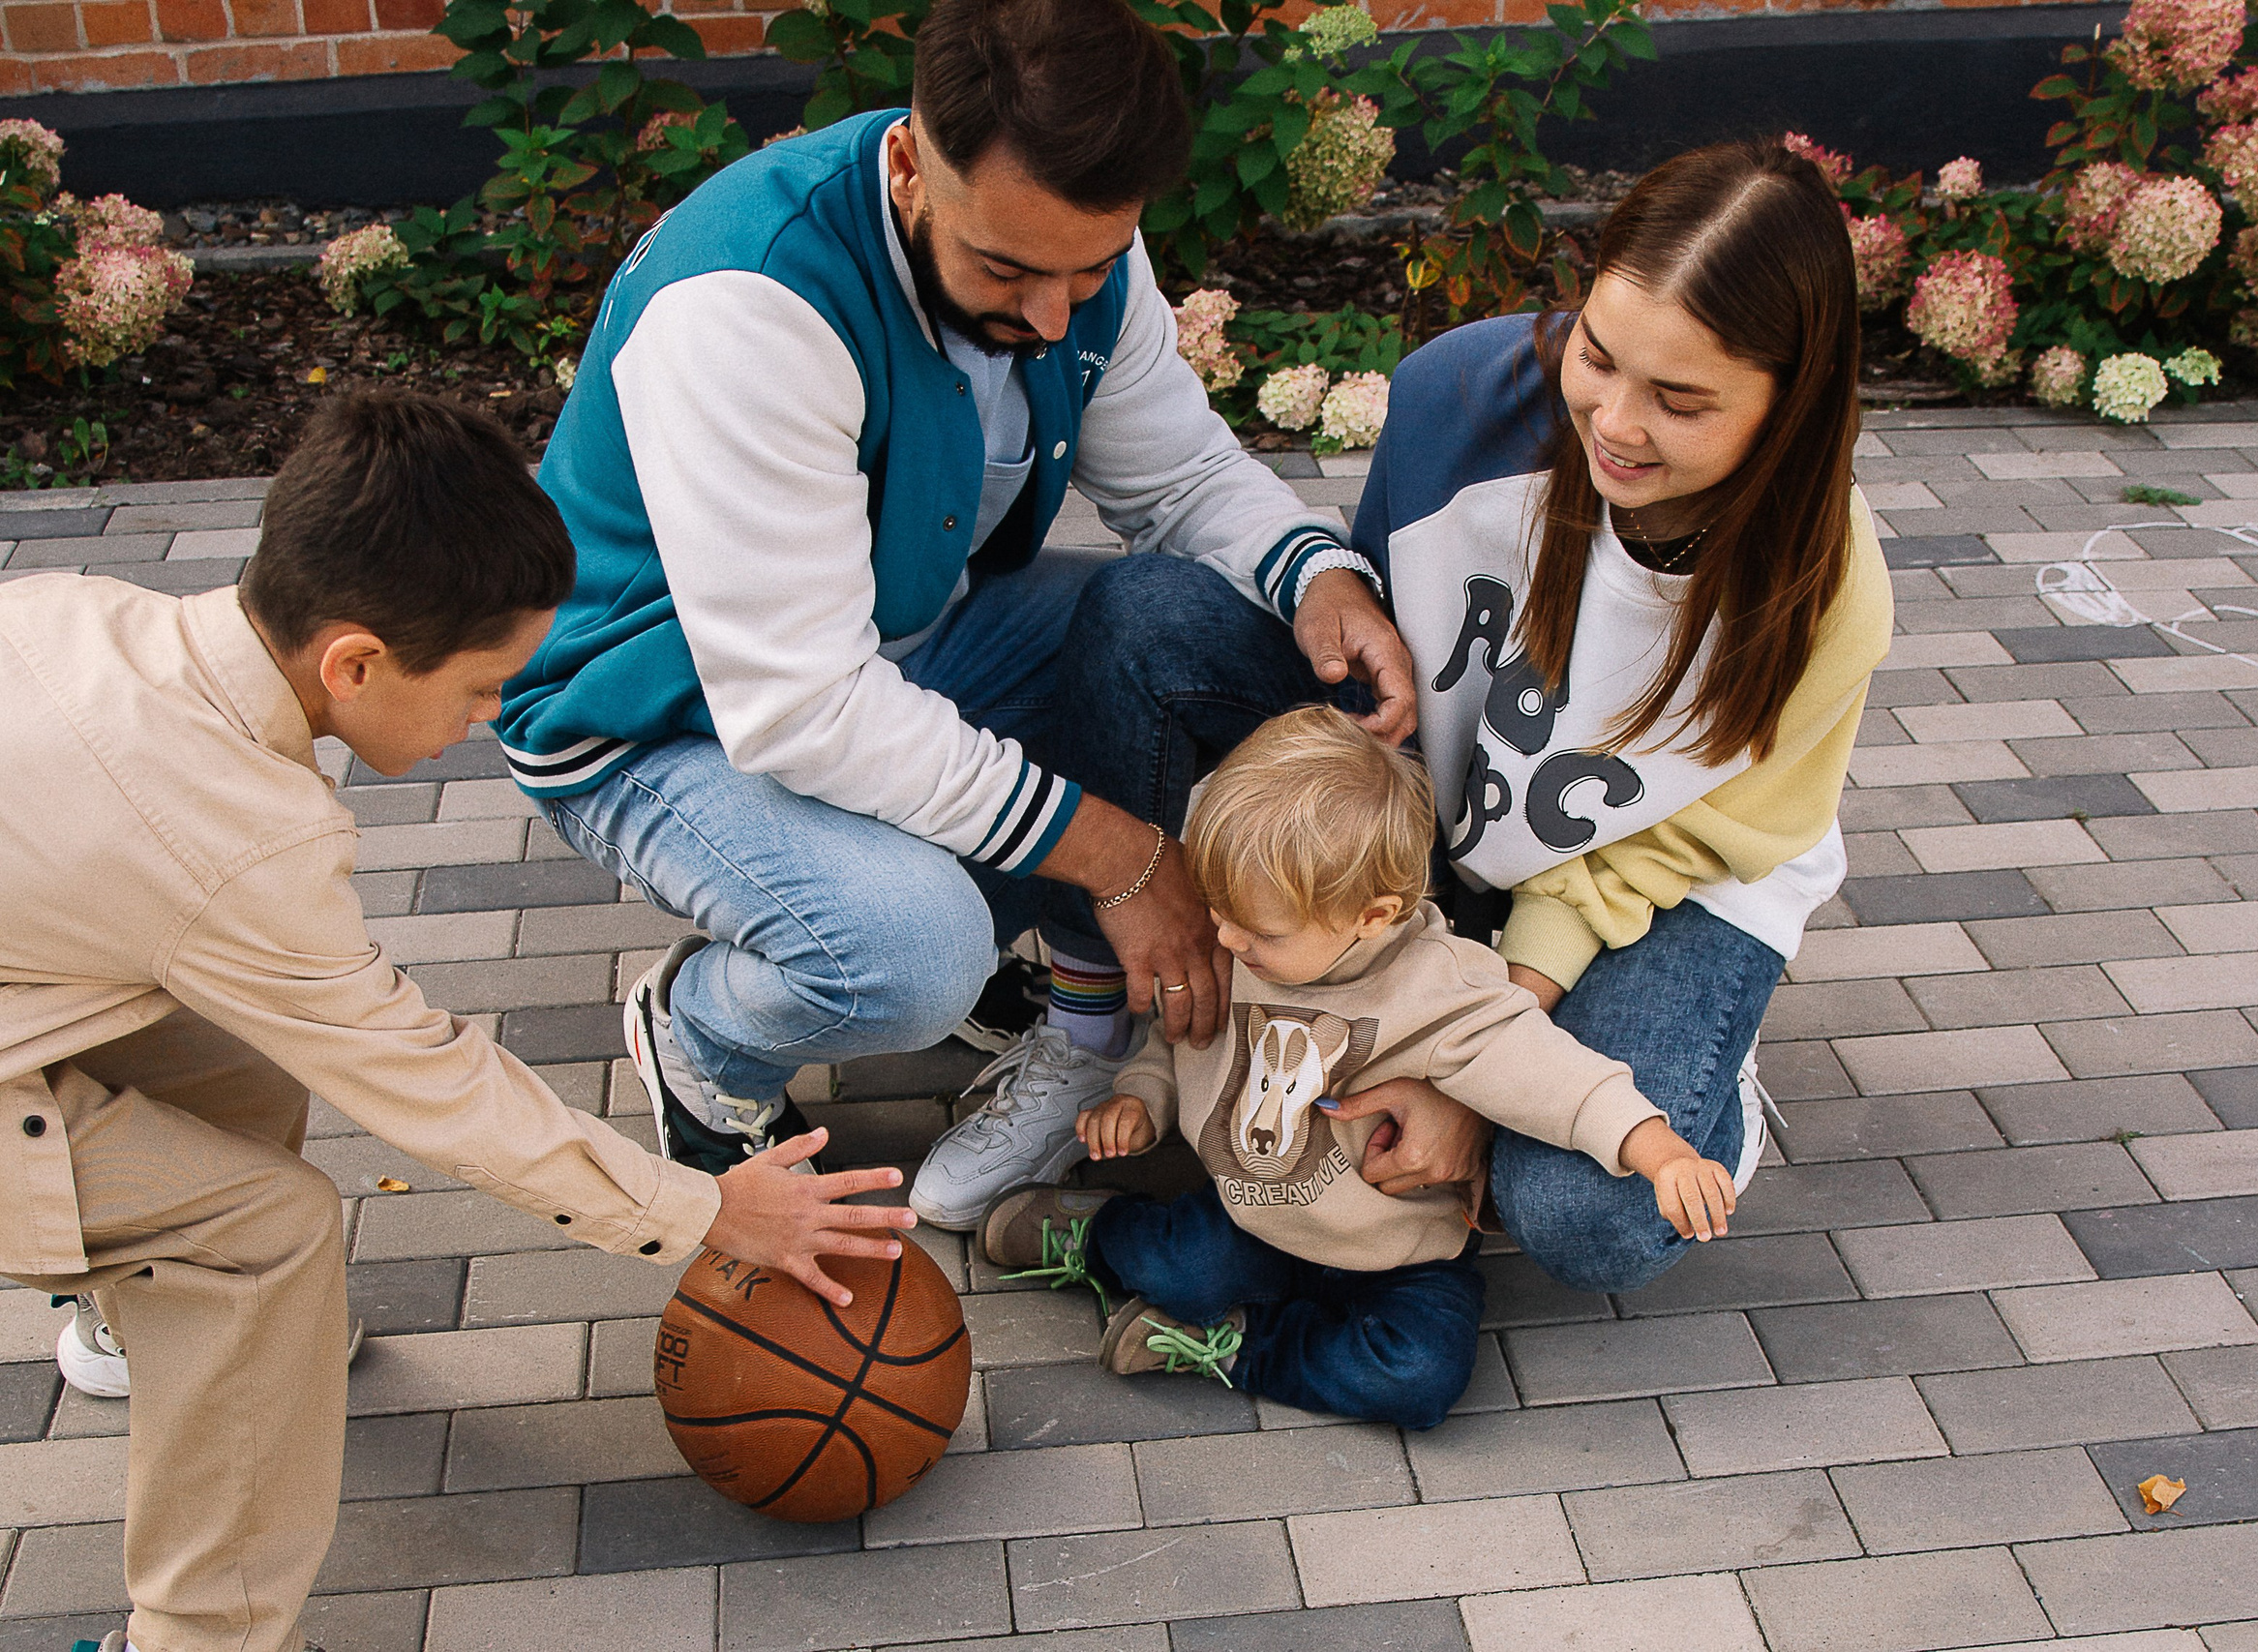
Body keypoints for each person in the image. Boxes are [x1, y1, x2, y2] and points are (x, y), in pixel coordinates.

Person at [0, 394, 916, 1652]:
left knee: (231, 1042)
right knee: (262, 1234)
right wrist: (702, 1208)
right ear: (355, 663)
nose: (488, 721)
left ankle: (154, 1311)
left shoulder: (82, 615)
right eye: (481, 690)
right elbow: (434, 1087)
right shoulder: (231, 837)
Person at [491, 0, 1415, 1231]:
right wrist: (1125, 858)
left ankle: (1082, 999)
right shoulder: (748, 305)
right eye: (1010, 272)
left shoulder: (1060, 229)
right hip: (652, 714)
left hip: (892, 642)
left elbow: (1180, 477)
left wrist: (1321, 581)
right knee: (910, 950)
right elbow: (803, 709)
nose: (1054, 315)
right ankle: (706, 1032)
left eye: (1089, 271)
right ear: (910, 165)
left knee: (1180, 641)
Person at [1033, 140, 1893, 1293]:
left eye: (1680, 401)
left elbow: (1662, 847)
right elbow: (1395, 641)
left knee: (1589, 1216)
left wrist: (1470, 1068)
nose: (1615, 423)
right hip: (1448, 797)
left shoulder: (1824, 589)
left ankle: (1706, 1073)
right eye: (1597, 355)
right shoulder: (1455, 396)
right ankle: (1089, 1031)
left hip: (1655, 877)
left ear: (1791, 402)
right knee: (1141, 616)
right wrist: (1335, 613)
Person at [978, 708, 1736, 1427]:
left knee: (1422, 1374)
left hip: (1402, 1256)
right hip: (1250, 1220)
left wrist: (1657, 1149)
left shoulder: (1441, 987)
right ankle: (1099, 1235)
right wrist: (1142, 1097)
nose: (1227, 939)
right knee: (1179, 1263)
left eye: (1258, 929)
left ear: (1371, 915)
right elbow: (1184, 1035)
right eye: (1218, 912)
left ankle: (1239, 1345)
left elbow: (1555, 1075)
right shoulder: (1245, 942)